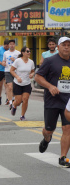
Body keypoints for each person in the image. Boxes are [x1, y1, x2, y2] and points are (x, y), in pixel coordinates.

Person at [35, 37, 70, 167]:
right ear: (58, 47)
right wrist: (50, 86)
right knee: (49, 130)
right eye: (64, 45)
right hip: (53, 100)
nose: (67, 47)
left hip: (68, 102)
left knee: (68, 128)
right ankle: (46, 138)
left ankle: (63, 157)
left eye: (69, 45)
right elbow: (38, 77)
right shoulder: (50, 61)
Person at [10, 47, 35, 120]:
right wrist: (17, 77)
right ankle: (14, 105)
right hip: (17, 83)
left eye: (29, 51)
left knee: (25, 99)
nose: (29, 52)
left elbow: (33, 71)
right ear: (23, 53)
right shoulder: (18, 61)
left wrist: (32, 74)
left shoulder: (31, 62)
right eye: (27, 51)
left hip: (27, 83)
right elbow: (11, 70)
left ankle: (22, 116)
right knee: (18, 101)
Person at [2, 40, 20, 109]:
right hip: (7, 71)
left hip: (16, 71)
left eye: (13, 44)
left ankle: (13, 99)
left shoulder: (18, 53)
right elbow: (4, 61)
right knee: (9, 86)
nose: (11, 45)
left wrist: (14, 60)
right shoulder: (5, 53)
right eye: (10, 44)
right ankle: (10, 102)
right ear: (8, 45)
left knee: (14, 87)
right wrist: (3, 63)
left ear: (15, 45)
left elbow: (20, 62)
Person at [0, 40, 9, 105]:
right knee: (0, 84)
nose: (6, 47)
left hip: (8, 69)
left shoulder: (10, 51)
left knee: (7, 84)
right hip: (0, 69)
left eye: (7, 45)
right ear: (3, 45)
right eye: (5, 45)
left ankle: (7, 98)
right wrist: (1, 63)